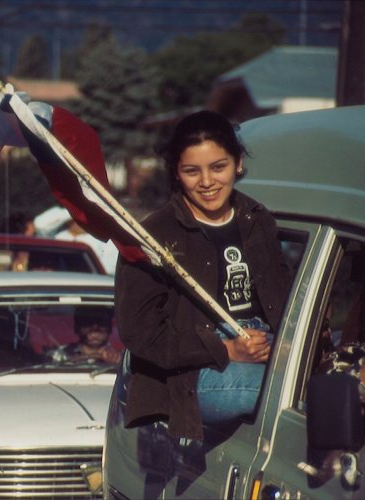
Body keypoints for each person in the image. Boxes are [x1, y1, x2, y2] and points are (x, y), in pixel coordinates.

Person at [116, 111, 292, 441]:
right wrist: (225, 349)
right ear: (176, 173)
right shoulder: (153, 235)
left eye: (218, 167)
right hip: (193, 373)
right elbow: (139, 333)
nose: (207, 182)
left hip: (265, 344)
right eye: (192, 171)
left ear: (238, 163)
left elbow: (286, 294)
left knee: (325, 385)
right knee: (288, 395)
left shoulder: (258, 219)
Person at [48, 306, 121, 364]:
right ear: (77, 327)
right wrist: (96, 356)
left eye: (101, 322)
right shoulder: (60, 354)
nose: (95, 328)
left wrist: (117, 361)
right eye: (88, 322)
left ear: (110, 327)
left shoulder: (122, 358)